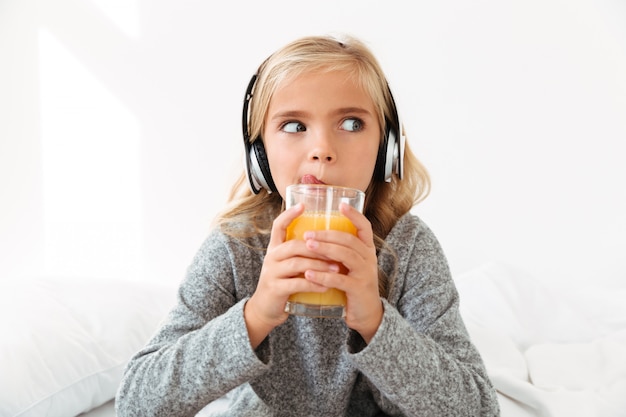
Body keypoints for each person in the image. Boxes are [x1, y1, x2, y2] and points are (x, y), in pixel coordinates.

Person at [115, 34, 500, 416]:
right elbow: (136, 402)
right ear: (260, 155)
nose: (322, 149)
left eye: (351, 123)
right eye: (294, 126)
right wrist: (256, 315)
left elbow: (478, 409)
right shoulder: (238, 245)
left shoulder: (409, 247)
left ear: (387, 148)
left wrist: (375, 320)